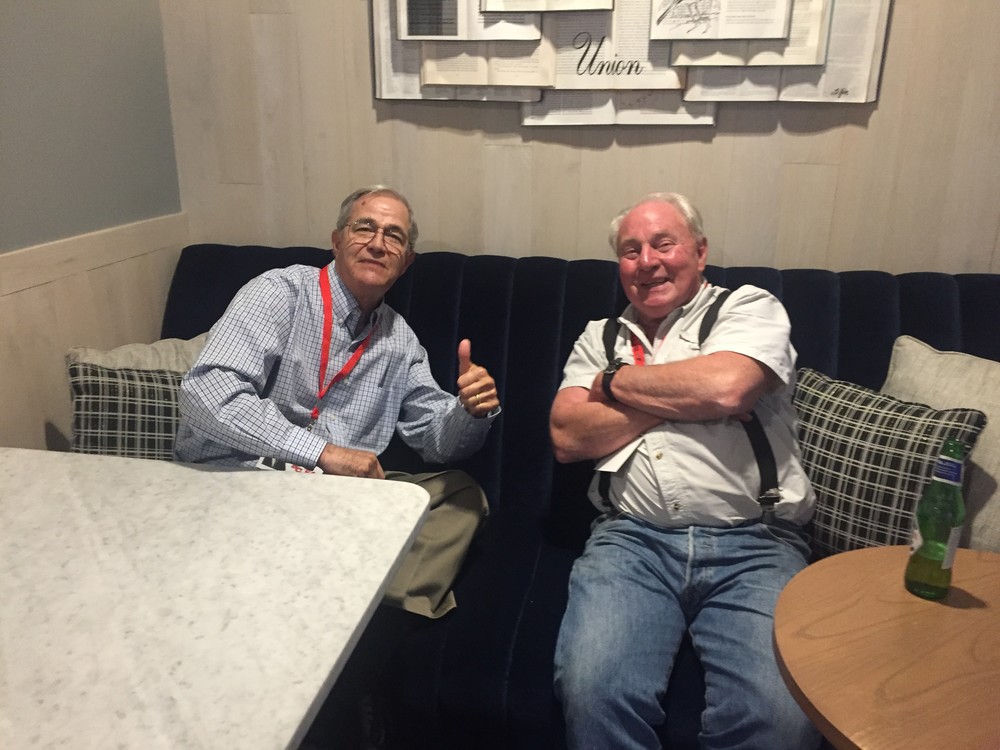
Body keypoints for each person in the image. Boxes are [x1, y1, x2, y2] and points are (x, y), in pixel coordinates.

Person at [549, 192, 820, 749]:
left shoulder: (748, 307)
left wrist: (613, 384)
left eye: (663, 244)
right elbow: (568, 437)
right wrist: (692, 395)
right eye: (630, 250)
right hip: (631, 541)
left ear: (699, 251)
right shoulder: (600, 336)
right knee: (592, 692)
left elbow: (728, 387)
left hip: (757, 544)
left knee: (779, 717)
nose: (647, 261)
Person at [175, 184, 501, 620]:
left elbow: (435, 441)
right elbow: (205, 393)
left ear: (406, 262)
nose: (377, 244)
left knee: (460, 495)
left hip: (338, 500)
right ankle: (353, 603)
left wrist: (470, 411)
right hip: (243, 480)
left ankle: (367, 612)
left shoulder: (400, 340)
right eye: (364, 228)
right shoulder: (279, 293)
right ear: (336, 240)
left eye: (394, 236)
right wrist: (324, 453)